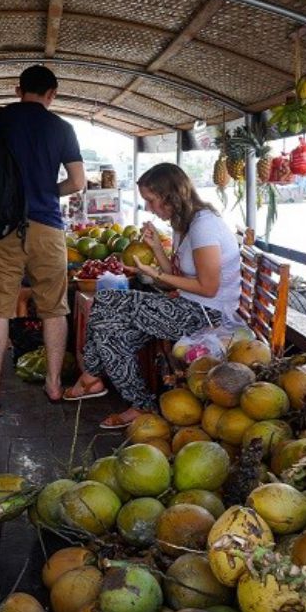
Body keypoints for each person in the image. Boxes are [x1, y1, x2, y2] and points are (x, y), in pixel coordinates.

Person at [64, 163, 244, 429]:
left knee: (107, 302)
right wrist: (158, 249)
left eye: (150, 200)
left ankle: (93, 377)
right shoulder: (185, 223)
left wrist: (156, 274)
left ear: (170, 196)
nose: (148, 208)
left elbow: (208, 288)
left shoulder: (204, 225)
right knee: (112, 333)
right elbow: (178, 273)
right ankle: (138, 404)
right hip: (188, 305)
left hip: (208, 315)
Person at [0, 66, 86, 406]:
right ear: (53, 94)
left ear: (18, 89)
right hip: (47, 226)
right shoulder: (62, 128)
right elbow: (78, 182)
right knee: (53, 308)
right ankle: (53, 384)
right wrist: (48, 192)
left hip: (1, 226)